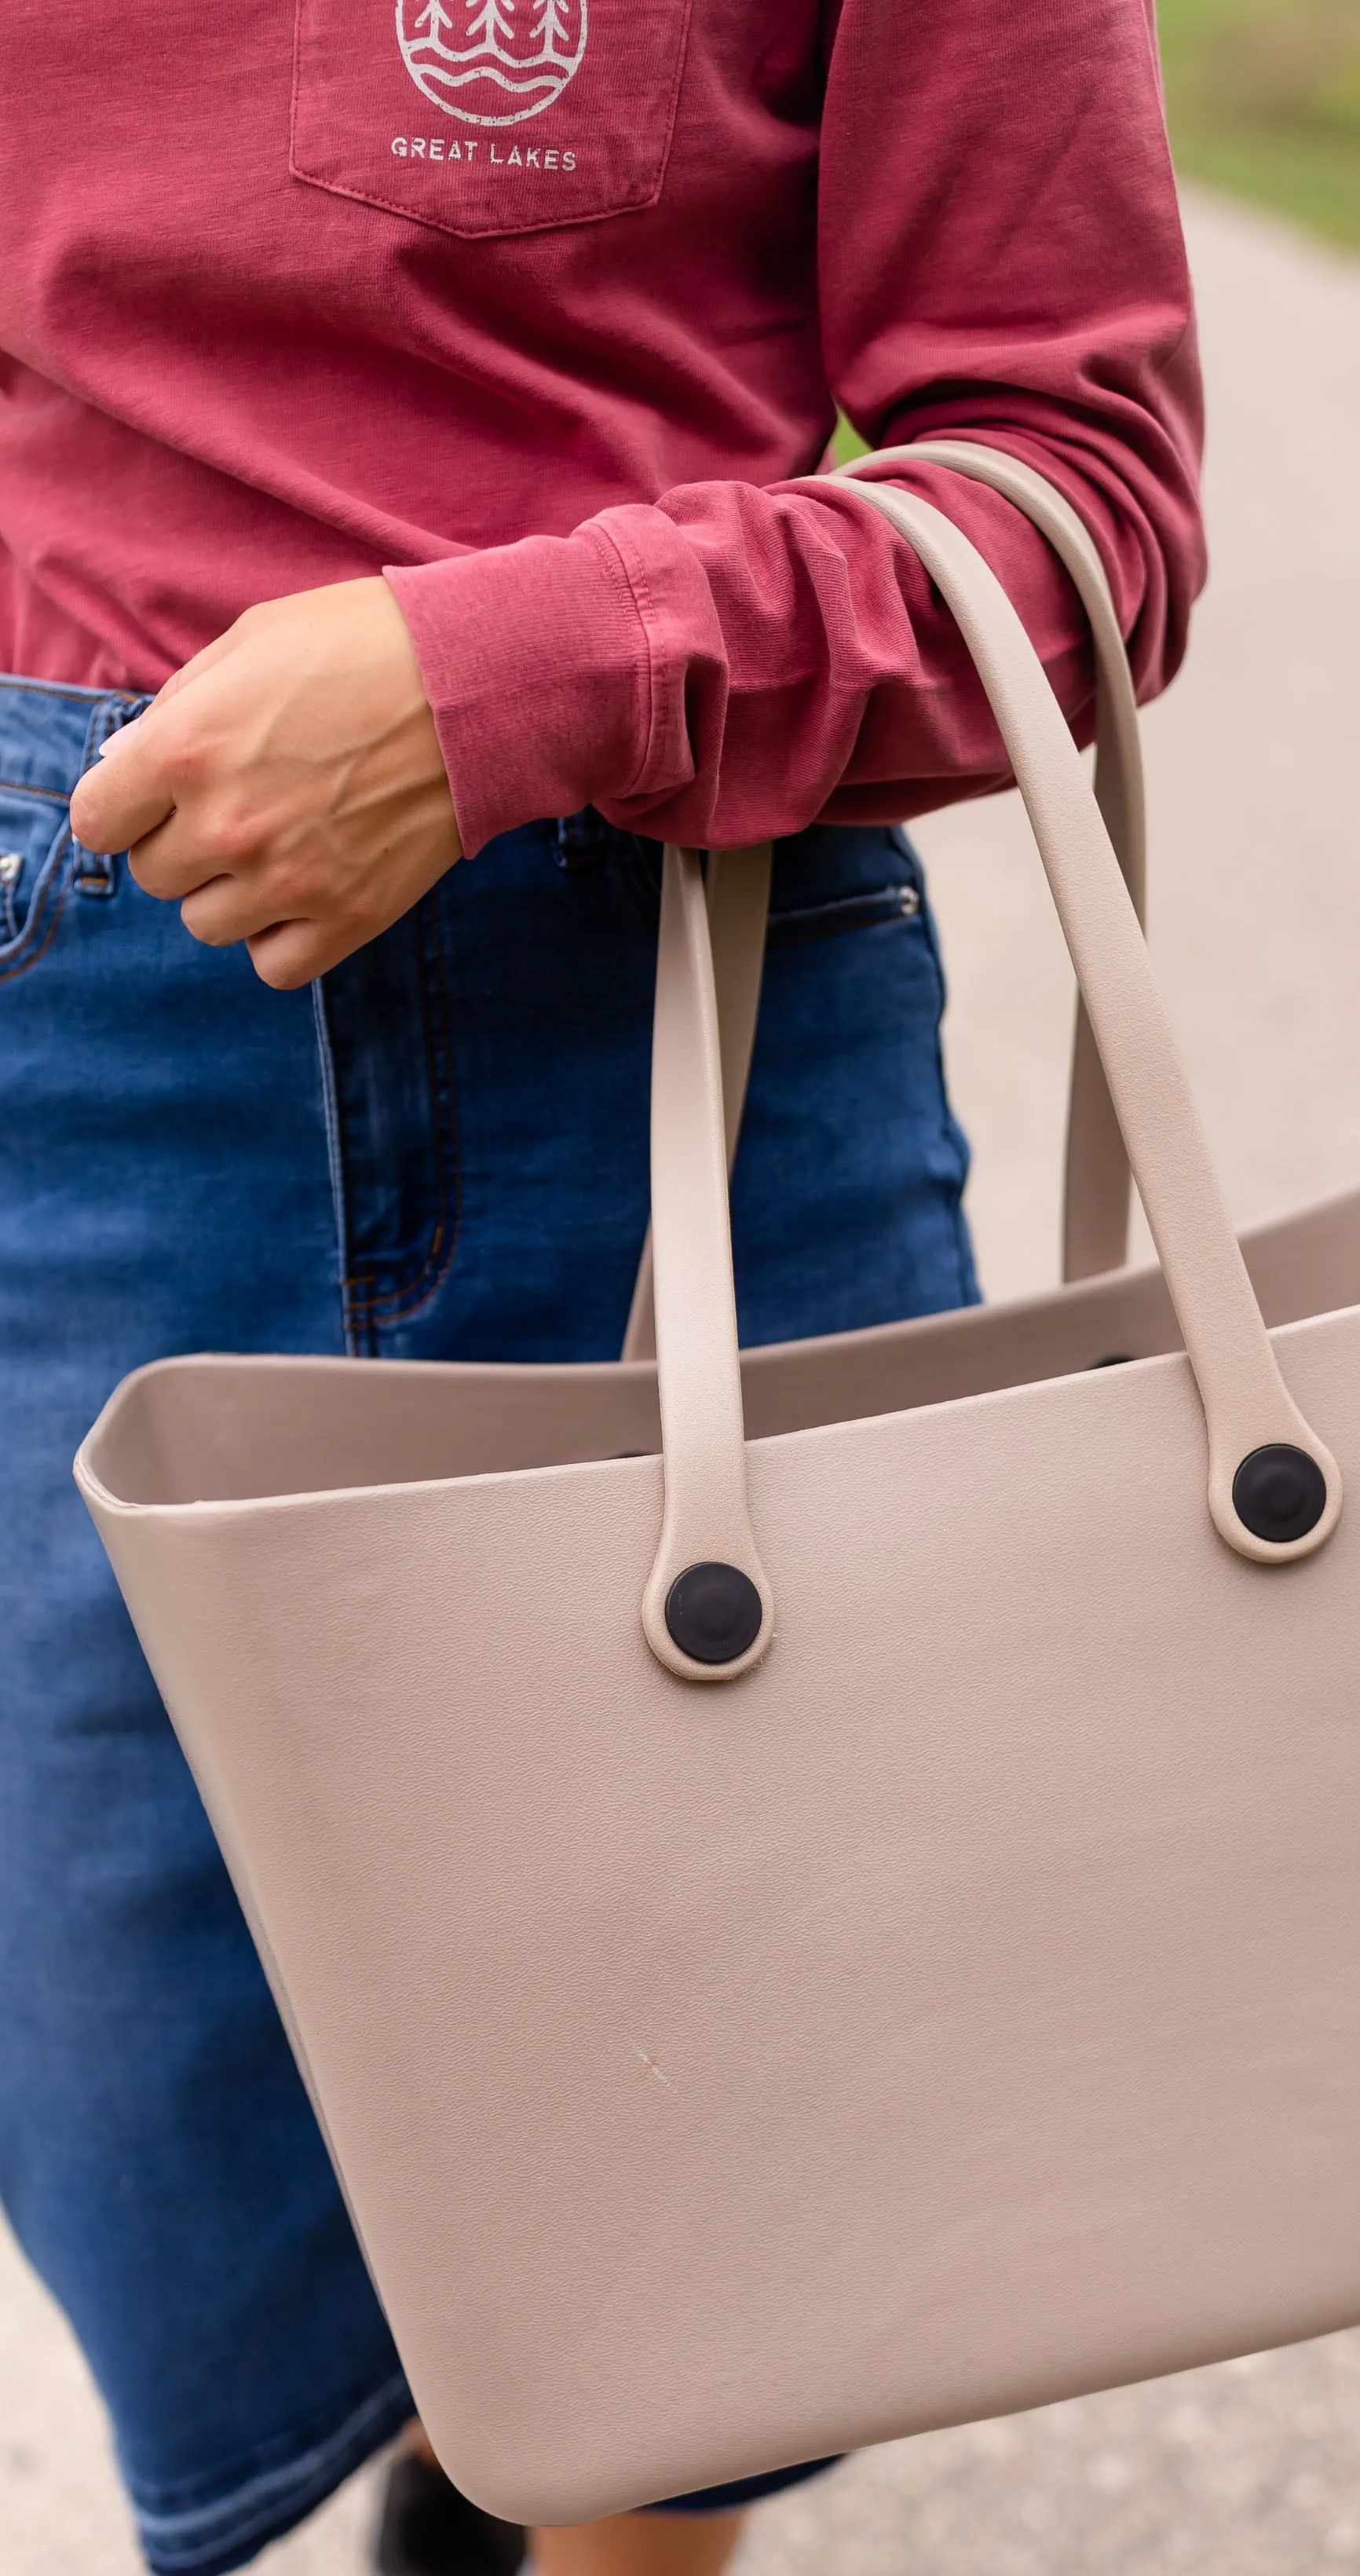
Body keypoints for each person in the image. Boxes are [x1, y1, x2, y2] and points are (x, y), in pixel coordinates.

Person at [0, 0, 1201, 2568]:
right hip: (59, 1042)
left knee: (704, 2118)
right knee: (153, 2112)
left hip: (694, 1000)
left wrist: (525, 671)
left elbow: (1090, 506)